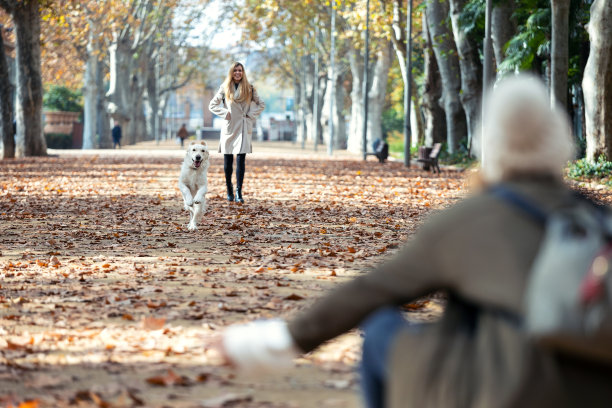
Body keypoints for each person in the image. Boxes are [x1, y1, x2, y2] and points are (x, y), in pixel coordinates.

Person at [211, 75, 612, 407]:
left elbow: (370, 290)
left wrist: (273, 341)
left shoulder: (468, 221)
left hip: (498, 394)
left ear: (488, 144)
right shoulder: (600, 220)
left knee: (382, 323)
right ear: (561, 140)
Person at [208, 62, 265, 203]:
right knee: (228, 161)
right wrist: (225, 113)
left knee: (241, 160)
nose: (238, 73)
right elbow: (212, 105)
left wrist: (250, 115)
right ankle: (229, 189)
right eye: (235, 71)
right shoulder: (225, 87)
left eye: (240, 70)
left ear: (243, 72)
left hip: (244, 127)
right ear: (231, 73)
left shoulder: (250, 88)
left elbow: (261, 104)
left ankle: (239, 192)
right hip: (229, 126)